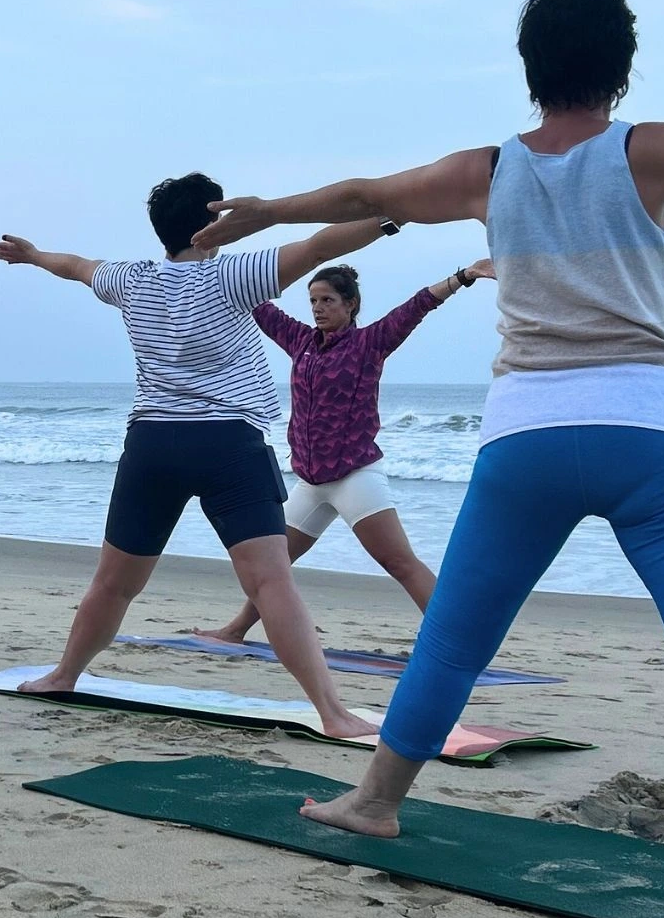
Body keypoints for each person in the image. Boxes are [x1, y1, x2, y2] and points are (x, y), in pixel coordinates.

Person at [197, 0, 664, 836]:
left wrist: (269, 211)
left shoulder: (490, 171)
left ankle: (375, 803)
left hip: (528, 439)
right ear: (621, 66)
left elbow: (368, 196)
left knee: (454, 641)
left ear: (530, 68)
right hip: (652, 429)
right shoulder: (646, 151)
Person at [0, 174, 394, 738]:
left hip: (153, 444)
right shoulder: (235, 273)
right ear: (211, 223)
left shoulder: (130, 279)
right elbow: (324, 245)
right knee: (270, 583)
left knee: (114, 583)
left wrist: (33, 256)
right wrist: (394, 215)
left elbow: (75, 265)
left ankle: (63, 674)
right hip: (229, 444)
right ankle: (333, 712)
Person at [197, 253, 493, 644]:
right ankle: (236, 629)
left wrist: (464, 276)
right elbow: (256, 304)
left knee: (399, 562)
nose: (318, 309)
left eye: (327, 301)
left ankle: (458, 641)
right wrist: (209, 264)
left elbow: (418, 305)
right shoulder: (300, 340)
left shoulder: (370, 343)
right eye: (314, 301)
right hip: (311, 480)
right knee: (274, 565)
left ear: (350, 304)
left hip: (355, 477)